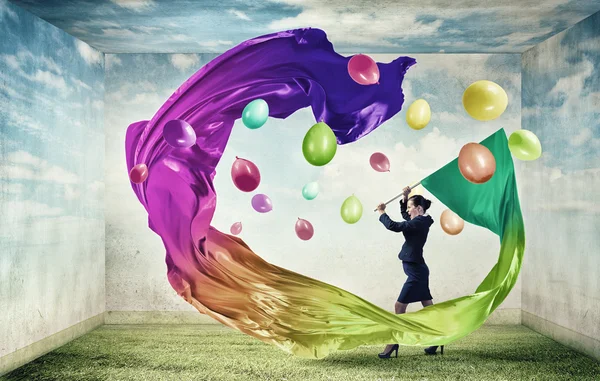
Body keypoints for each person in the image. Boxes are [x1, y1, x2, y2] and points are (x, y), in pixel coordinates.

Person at [376, 186, 443, 358]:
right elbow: (406, 217)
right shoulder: (420, 220)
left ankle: (393, 342)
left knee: (399, 306)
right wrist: (406, 198)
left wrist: (382, 212)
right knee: (428, 308)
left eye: (410, 207)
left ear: (419, 209)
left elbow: (394, 226)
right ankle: (438, 337)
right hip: (419, 269)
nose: (407, 211)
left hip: (416, 273)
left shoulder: (419, 222)